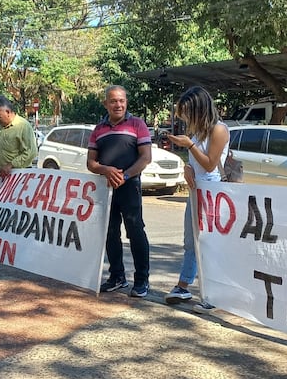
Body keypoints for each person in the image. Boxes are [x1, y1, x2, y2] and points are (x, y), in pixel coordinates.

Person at [164, 86, 229, 314]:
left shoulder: (218, 130)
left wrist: (189, 146)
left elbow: (210, 164)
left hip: (213, 194)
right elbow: (197, 164)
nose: (185, 119)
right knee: (191, 241)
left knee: (209, 243)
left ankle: (214, 292)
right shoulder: (197, 133)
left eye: (187, 113)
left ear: (198, 109)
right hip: (196, 191)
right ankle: (184, 285)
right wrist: (187, 167)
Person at [86, 85, 152, 298]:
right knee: (110, 232)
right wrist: (105, 170)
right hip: (105, 190)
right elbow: (91, 162)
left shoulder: (137, 124)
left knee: (135, 231)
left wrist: (125, 176)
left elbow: (146, 157)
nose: (118, 104)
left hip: (129, 187)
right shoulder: (98, 130)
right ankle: (117, 277)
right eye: (113, 101)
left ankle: (142, 280)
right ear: (106, 103)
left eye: (122, 100)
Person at [0, 95, 37, 177]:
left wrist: (11, 165)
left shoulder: (23, 126)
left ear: (7, 112)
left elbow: (31, 152)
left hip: (18, 176)